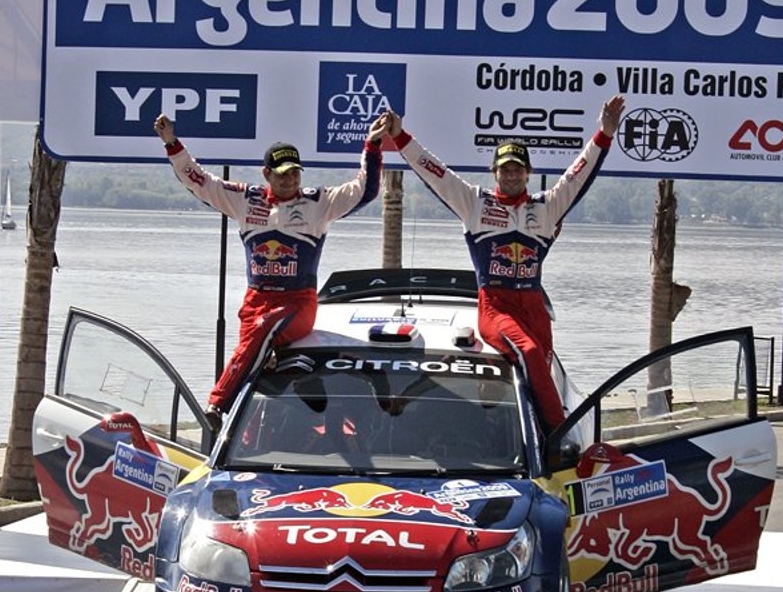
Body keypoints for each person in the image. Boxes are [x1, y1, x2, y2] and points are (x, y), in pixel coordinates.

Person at [381, 96, 625, 433]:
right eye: (505, 169)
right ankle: (560, 435)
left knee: (542, 367)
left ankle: (526, 432)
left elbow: (578, 174)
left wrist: (605, 134)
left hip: (534, 307)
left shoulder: (547, 207)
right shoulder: (474, 204)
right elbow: (435, 172)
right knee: (528, 353)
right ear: (494, 172)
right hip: (496, 307)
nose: (511, 175)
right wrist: (400, 136)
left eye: (517, 169)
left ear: (528, 173)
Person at [154, 113, 388, 430]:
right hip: (255, 302)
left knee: (262, 332)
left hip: (298, 303)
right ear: (266, 174)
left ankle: (216, 406)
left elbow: (366, 190)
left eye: (294, 173)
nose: (290, 180)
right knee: (253, 369)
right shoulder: (244, 200)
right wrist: (171, 143)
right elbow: (199, 181)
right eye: (282, 175)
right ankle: (249, 434)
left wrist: (372, 146)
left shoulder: (319, 203)